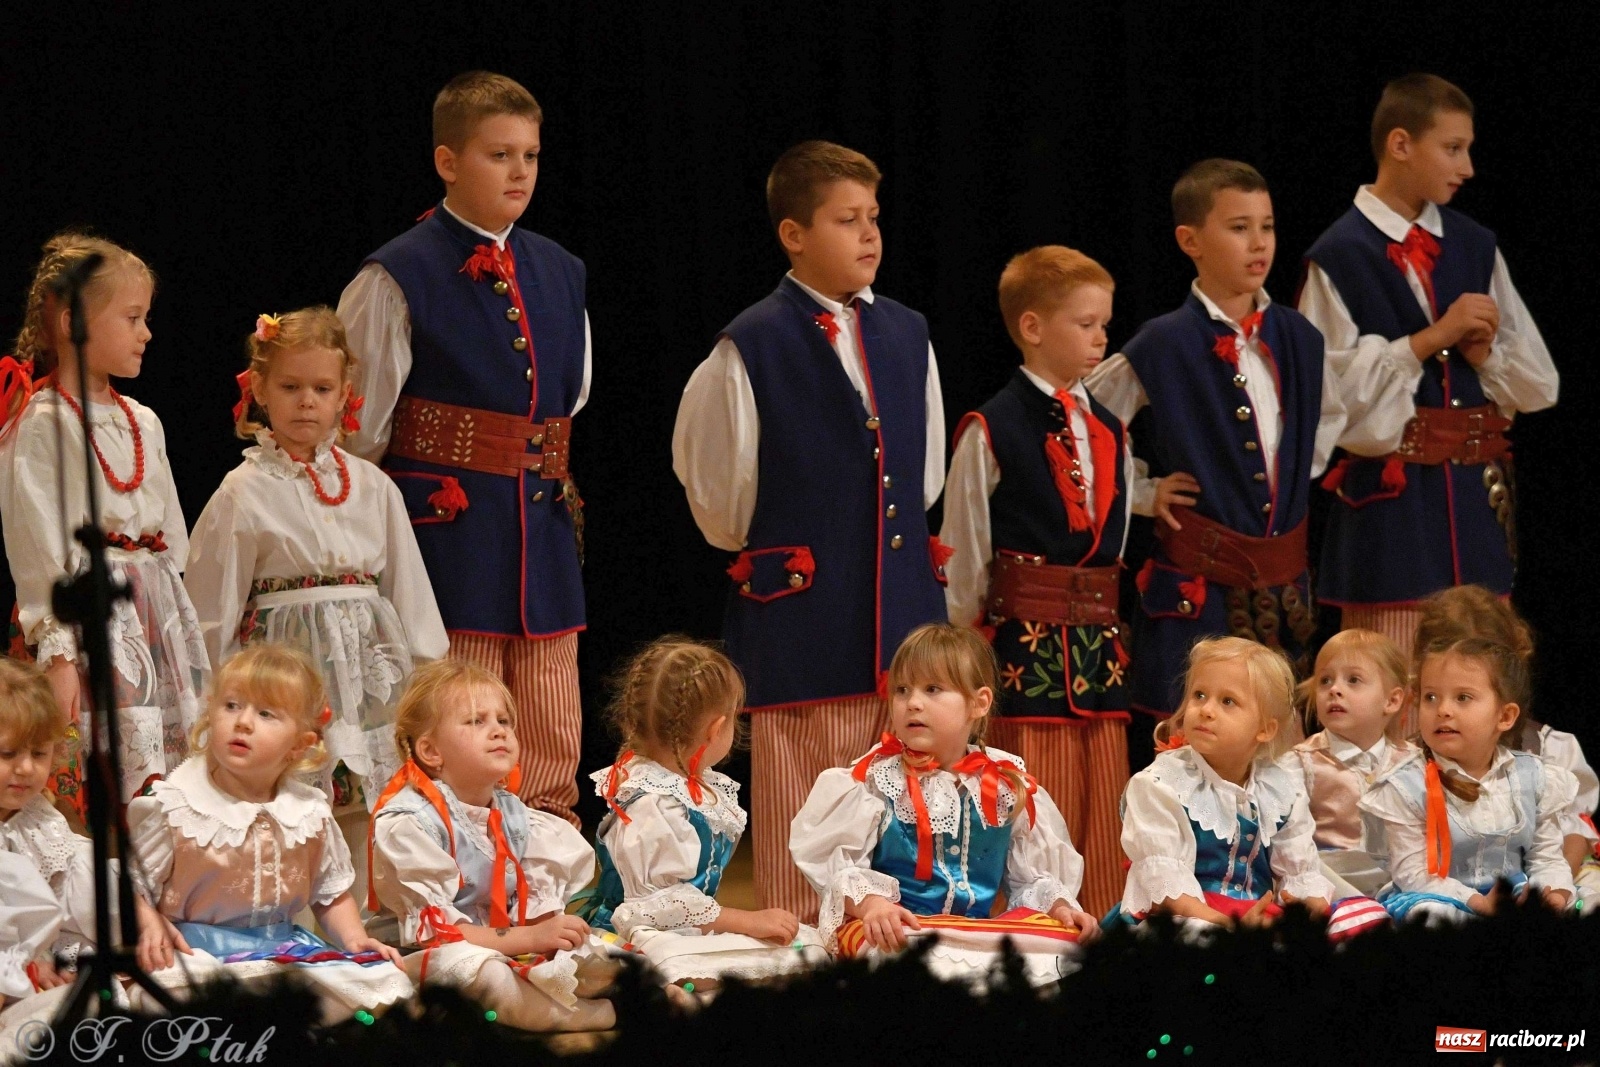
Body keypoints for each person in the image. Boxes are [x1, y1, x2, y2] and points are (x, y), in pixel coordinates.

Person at [673, 141, 949, 918]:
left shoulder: (907, 332)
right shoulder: (751, 345)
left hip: (899, 623)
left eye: (873, 218)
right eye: (845, 220)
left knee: (903, 800)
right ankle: (802, 961)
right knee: (806, 808)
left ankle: (904, 943)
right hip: (802, 624)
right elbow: (722, 496)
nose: (868, 235)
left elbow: (921, 479)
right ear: (794, 234)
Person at [338, 71, 591, 826]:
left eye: (531, 156)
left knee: (547, 710)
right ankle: (456, 864)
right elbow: (359, 429)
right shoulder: (398, 273)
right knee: (461, 705)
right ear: (448, 161)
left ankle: (548, 861)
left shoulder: (562, 270)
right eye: (499, 155)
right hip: (448, 533)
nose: (519, 173)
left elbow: (568, 396)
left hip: (540, 527)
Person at [1086, 160, 1347, 741]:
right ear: (1190, 241)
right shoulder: (1163, 342)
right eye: (1239, 228)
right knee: (1191, 748)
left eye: (1268, 226)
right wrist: (1145, 492)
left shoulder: (1300, 337)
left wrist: (1281, 496)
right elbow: (1085, 426)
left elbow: (1328, 419)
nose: (1259, 243)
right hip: (1196, 596)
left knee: (1276, 744)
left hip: (1282, 596)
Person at [184, 308, 447, 877]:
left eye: (321, 388)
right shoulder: (243, 491)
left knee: (367, 799)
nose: (307, 401)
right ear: (259, 389)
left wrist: (429, 678)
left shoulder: (374, 487)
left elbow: (409, 588)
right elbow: (212, 607)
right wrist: (213, 696)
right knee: (296, 795)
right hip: (289, 676)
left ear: (343, 395)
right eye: (291, 386)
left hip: (368, 673)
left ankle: (366, 917)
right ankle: (299, 920)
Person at [1299, 74, 1557, 654]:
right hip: (1390, 519)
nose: (1466, 167)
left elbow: (1540, 384)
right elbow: (1327, 403)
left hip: (1473, 503)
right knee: (1388, 688)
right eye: (1452, 148)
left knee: (1479, 682)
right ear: (1400, 144)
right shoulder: (1339, 256)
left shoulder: (1474, 245)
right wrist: (1428, 339)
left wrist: (1484, 353)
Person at [941, 245, 1161, 915]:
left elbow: (1112, 541)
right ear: (1032, 326)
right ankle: (1031, 934)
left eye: (1104, 324)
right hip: (1023, 654)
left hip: (1098, 651)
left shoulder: (1110, 430)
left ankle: (1099, 929)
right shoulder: (991, 428)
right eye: (1086, 324)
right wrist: (966, 648)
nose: (1101, 338)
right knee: (1036, 795)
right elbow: (965, 550)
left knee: (1102, 798)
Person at [1, 232, 208, 804]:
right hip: (87, 620)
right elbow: (37, 546)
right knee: (89, 787)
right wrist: (60, 652)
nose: (146, 333)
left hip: (150, 621)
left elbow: (170, 543)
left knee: (167, 789)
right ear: (73, 323)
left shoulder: (144, 421)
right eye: (132, 317)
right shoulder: (41, 422)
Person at [790, 624, 1097, 987]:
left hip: (975, 933)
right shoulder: (873, 780)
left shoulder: (1005, 784)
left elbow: (1030, 879)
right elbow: (842, 868)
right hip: (901, 930)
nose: (913, 702)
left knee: (1068, 949)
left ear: (979, 703)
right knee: (893, 955)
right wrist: (872, 904)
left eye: (932, 689)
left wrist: (1058, 907)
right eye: (902, 690)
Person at [128, 645, 410, 1018]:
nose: (243, 722)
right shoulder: (178, 805)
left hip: (282, 950)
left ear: (299, 745)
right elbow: (131, 884)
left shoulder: (308, 812)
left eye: (265, 713)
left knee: (386, 985)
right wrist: (150, 925)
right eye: (231, 706)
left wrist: (355, 939)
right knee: (171, 1001)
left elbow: (330, 894)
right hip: (197, 953)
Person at [369, 660, 615, 1031]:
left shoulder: (517, 816)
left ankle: (619, 993)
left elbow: (530, 909)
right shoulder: (410, 822)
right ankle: (588, 1015)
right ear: (431, 751)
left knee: (593, 952)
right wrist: (528, 938)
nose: (498, 731)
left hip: (504, 942)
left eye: (504, 721)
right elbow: (438, 935)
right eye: (476, 721)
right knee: (483, 975)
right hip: (424, 956)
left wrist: (551, 937)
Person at [588, 637, 826, 991]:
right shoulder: (655, 804)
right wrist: (745, 921)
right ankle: (672, 984)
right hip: (636, 932)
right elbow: (657, 906)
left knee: (812, 948)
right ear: (717, 729)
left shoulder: (688, 788)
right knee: (671, 962)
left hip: (685, 930)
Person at [1119, 637, 1333, 928]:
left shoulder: (1281, 789)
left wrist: (1302, 915)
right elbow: (1165, 893)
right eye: (1199, 695)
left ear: (1265, 729)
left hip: (1254, 914)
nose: (1206, 710)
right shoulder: (1160, 785)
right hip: (1188, 916)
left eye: (1227, 701)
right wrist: (1231, 926)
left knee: (1354, 920)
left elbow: (1300, 874)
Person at [1360, 636, 1577, 923]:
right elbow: (1414, 873)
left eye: (1462, 697)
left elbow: (1545, 858)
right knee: (1430, 917)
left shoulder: (1533, 778)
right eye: (1431, 697)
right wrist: (1477, 902)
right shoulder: (1406, 785)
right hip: (1438, 897)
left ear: (1505, 716)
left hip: (1510, 895)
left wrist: (1553, 895)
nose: (1443, 710)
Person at [1279, 629, 1416, 896]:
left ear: (1392, 700)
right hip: (1330, 883)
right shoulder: (1300, 763)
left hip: (1401, 882)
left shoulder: (1412, 762)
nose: (1335, 690)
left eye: (1353, 680)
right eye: (1325, 681)